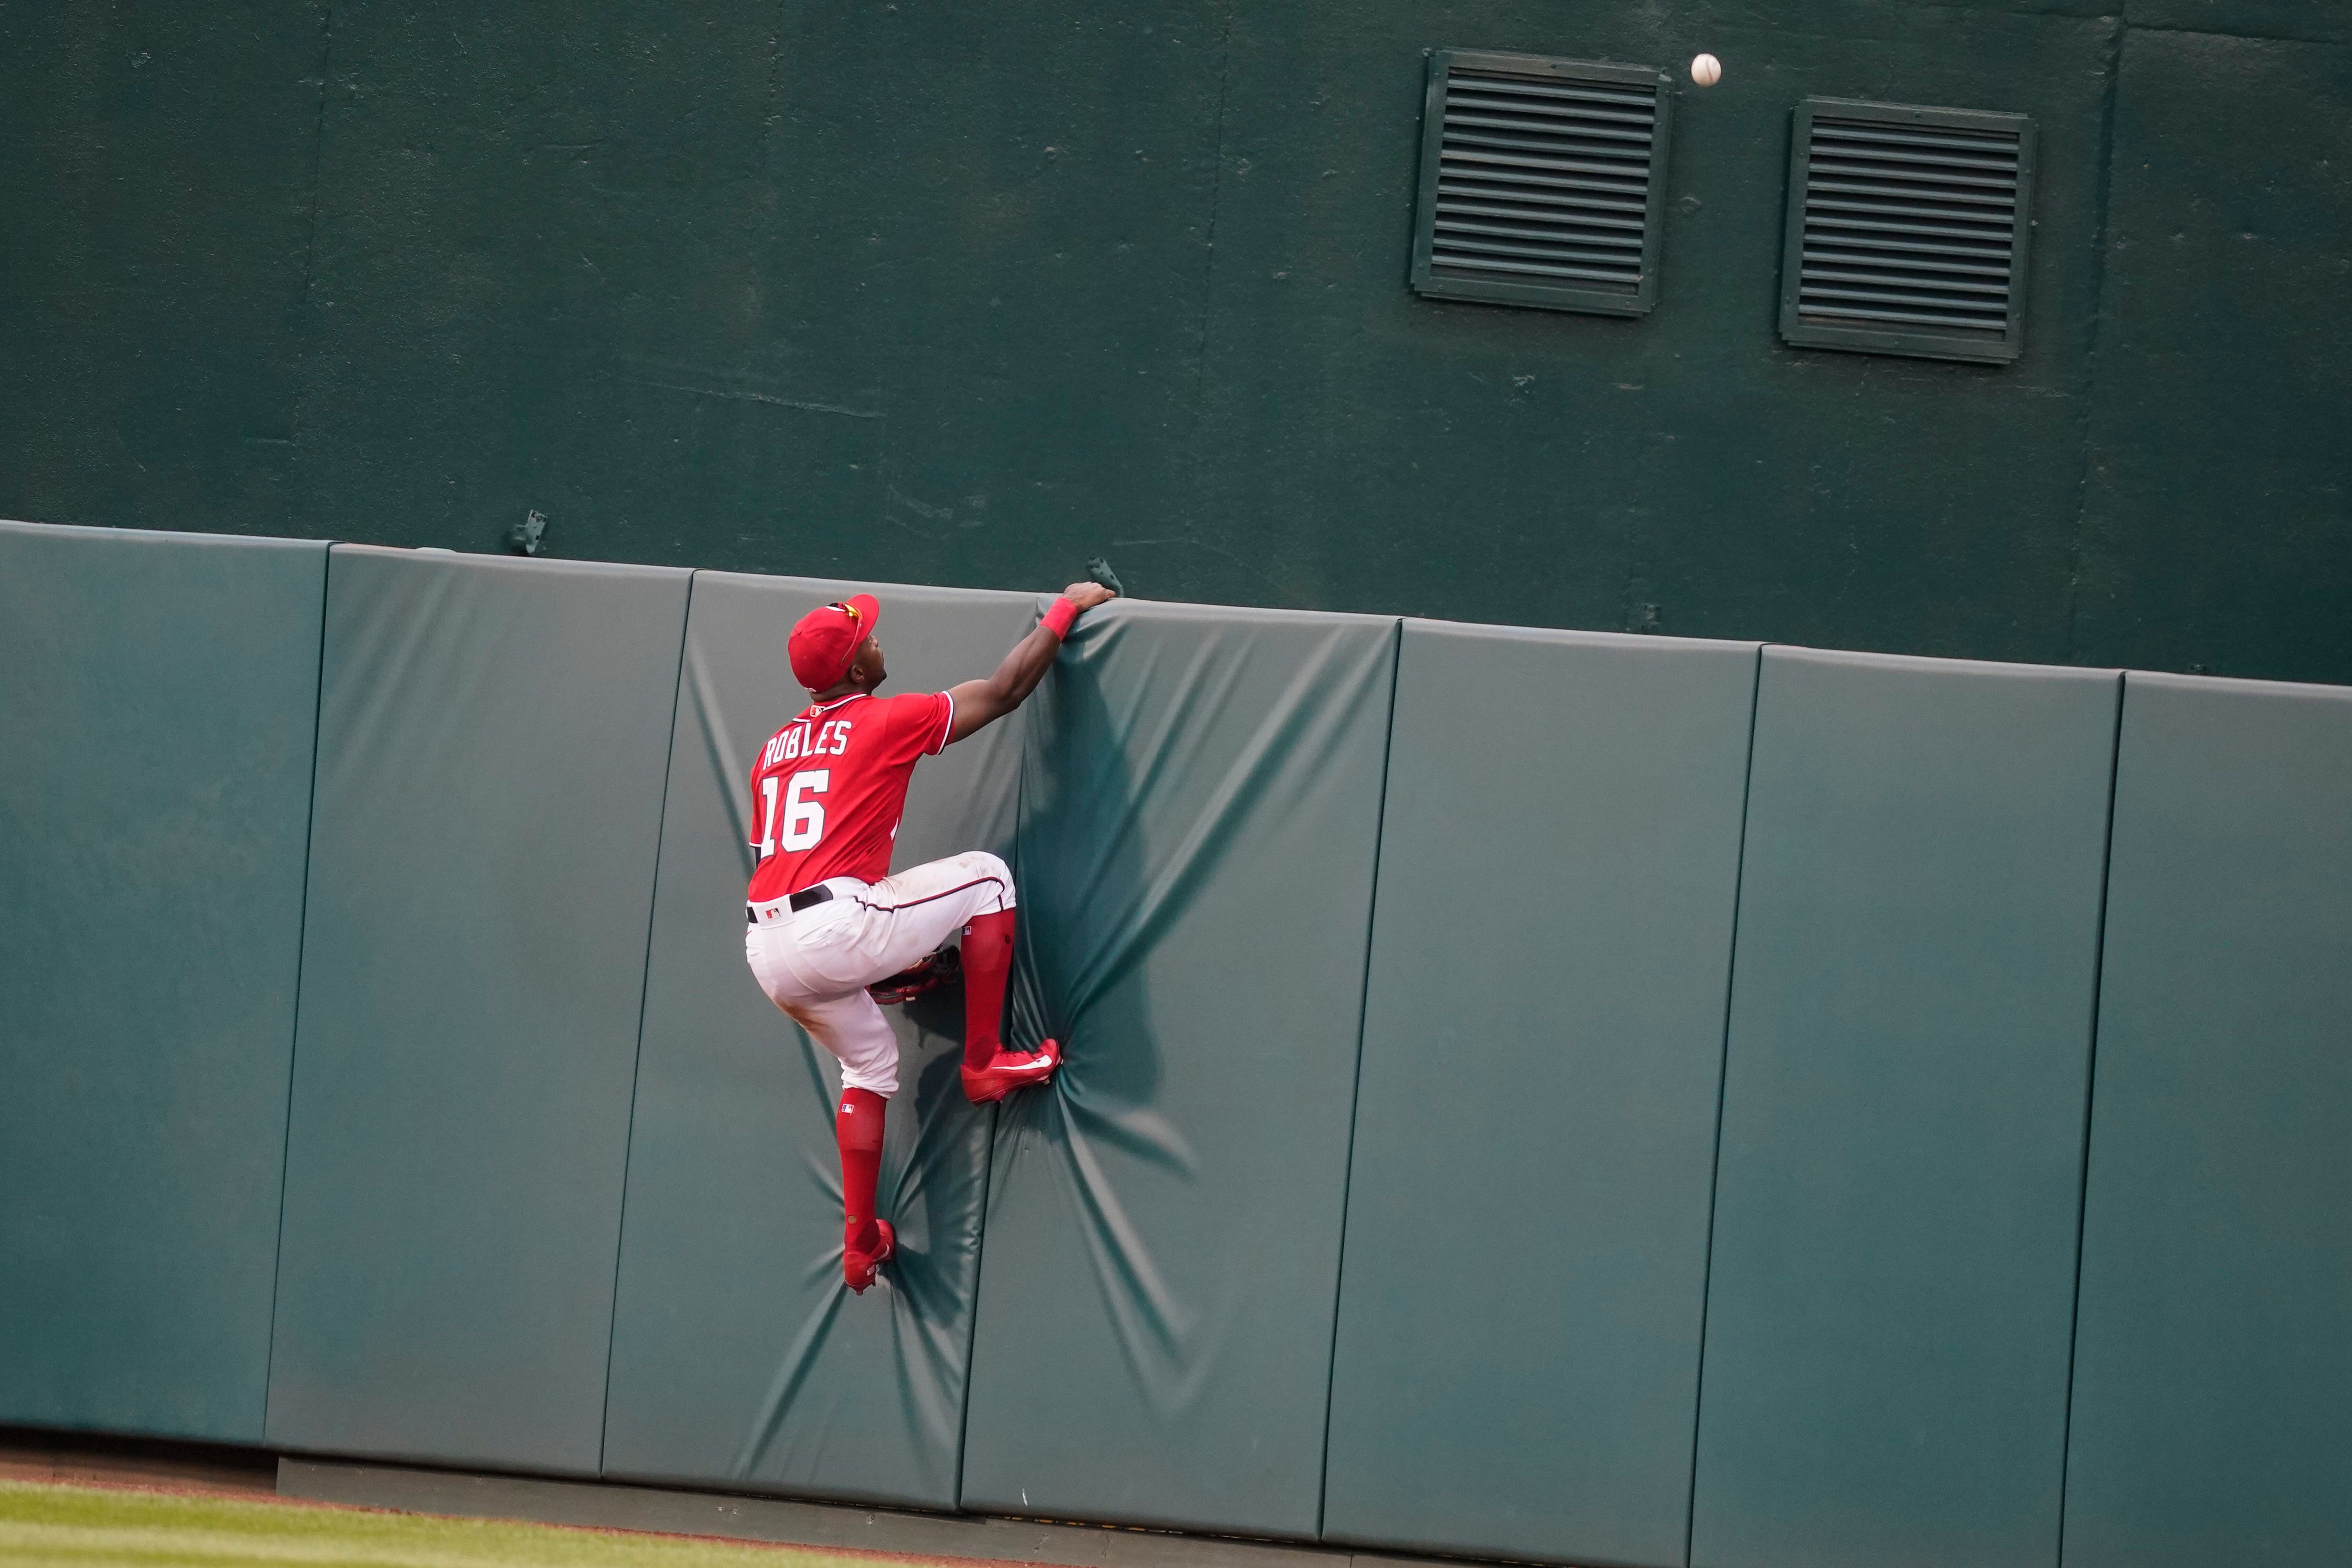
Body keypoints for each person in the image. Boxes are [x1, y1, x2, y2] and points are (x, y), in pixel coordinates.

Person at [742, 581, 1118, 1292]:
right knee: (986, 878)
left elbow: (771, 855)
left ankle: (859, 1247)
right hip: (836, 922)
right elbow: (1007, 691)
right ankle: (982, 1062)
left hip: (768, 944)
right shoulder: (886, 719)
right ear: (854, 672)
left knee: (870, 1065)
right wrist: (1066, 609)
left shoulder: (771, 750)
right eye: (868, 642)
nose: (879, 643)